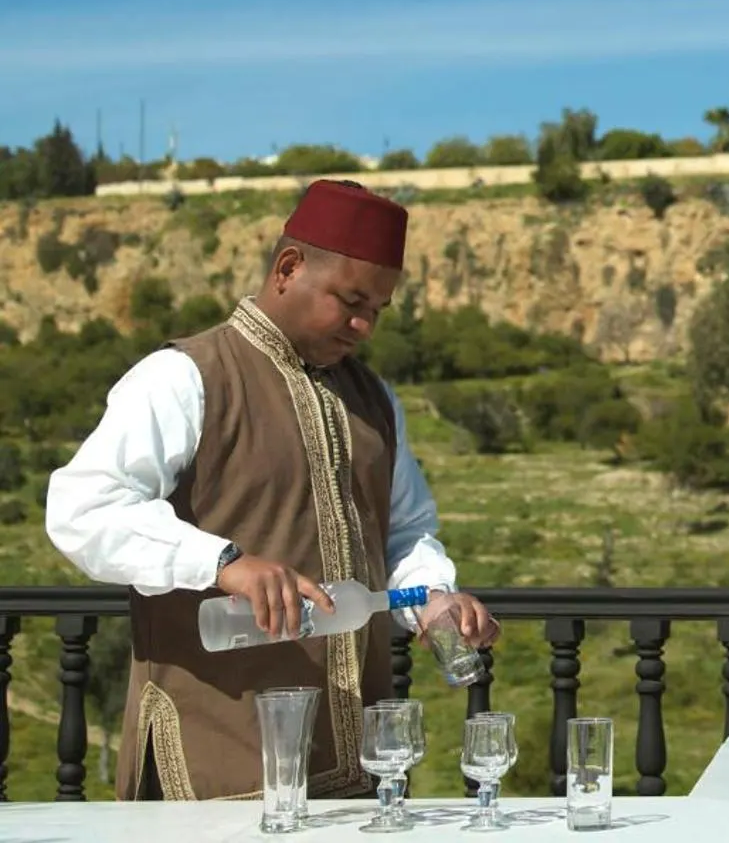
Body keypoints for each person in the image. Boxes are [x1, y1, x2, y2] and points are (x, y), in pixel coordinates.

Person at [46, 178, 499, 801]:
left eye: (379, 309)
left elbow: (402, 533)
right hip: (215, 758)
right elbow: (83, 509)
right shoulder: (184, 376)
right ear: (288, 268)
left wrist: (433, 598)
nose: (364, 325)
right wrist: (222, 562)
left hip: (354, 769)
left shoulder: (376, 401)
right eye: (351, 300)